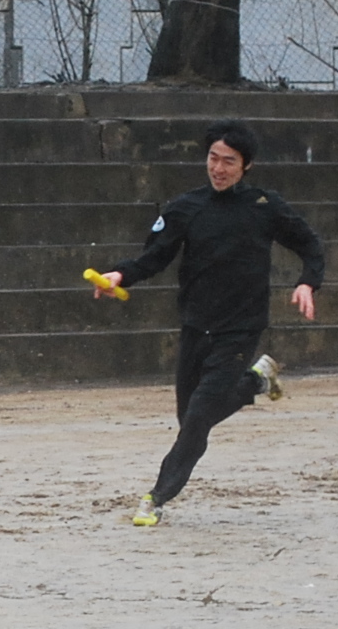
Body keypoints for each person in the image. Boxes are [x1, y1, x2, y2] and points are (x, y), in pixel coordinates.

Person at [87, 121, 325, 526]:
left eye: (229, 161)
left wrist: (307, 282)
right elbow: (154, 257)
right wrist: (120, 275)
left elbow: (309, 244)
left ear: (246, 165)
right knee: (190, 419)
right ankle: (256, 381)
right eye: (213, 158)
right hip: (197, 325)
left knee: (198, 417)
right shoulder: (185, 207)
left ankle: (156, 497)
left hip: (241, 328)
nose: (218, 168)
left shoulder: (265, 206)